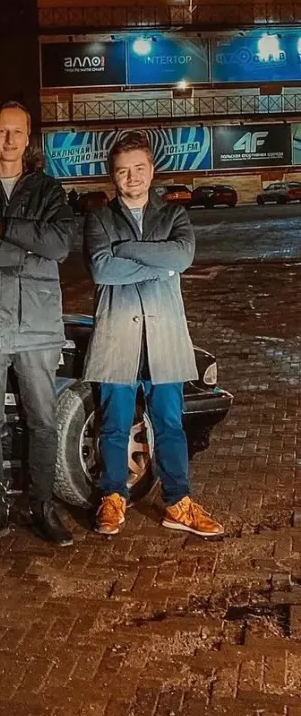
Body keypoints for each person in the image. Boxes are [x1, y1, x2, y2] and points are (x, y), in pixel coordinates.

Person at [83, 131, 224, 539]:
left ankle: (178, 502)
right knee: (114, 423)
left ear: (152, 169)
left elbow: (182, 256)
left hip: (165, 335)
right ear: (112, 175)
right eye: (123, 171)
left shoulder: (174, 214)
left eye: (139, 168)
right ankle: (113, 497)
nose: (132, 177)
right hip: (117, 334)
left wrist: (125, 249)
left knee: (170, 424)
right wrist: (159, 263)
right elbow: (102, 269)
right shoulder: (99, 218)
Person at [0, 101, 75, 548]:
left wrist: (3, 228)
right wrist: (25, 251)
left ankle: (41, 507)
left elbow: (59, 245)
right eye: (2, 131)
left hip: (37, 323)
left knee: (43, 420)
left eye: (17, 131)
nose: (9, 139)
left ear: (28, 138)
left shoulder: (49, 190)